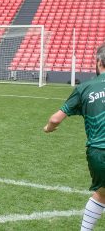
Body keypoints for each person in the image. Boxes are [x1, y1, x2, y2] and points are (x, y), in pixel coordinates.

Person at [43, 43, 105, 231]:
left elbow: (55, 119)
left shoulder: (85, 88)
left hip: (98, 152)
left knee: (101, 193)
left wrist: (48, 128)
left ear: (99, 61)